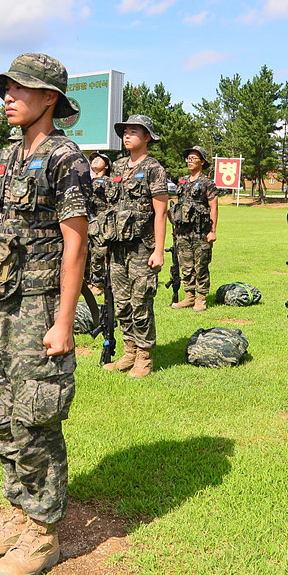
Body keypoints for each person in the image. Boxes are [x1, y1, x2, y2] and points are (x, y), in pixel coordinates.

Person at [0, 53, 90, 575]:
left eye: (19, 89)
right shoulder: (9, 156)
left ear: (49, 98)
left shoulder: (66, 157)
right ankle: (19, 514)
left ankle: (44, 533)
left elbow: (76, 244)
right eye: (5, 89)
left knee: (35, 415)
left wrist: (64, 320)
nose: (7, 97)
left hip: (37, 310)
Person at [100, 114, 168, 378]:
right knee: (122, 302)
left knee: (141, 302)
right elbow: (110, 208)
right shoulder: (117, 167)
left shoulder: (154, 168)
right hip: (118, 247)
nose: (127, 135)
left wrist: (159, 250)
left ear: (147, 137)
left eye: (134, 132)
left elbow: (160, 212)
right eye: (125, 131)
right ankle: (129, 351)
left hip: (142, 247)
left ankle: (144, 356)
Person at [170, 145, 218, 311]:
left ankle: (201, 298)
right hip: (183, 231)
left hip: (200, 231)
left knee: (201, 265)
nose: (189, 161)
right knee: (186, 265)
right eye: (188, 158)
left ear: (202, 161)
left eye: (193, 158)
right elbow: (179, 206)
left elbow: (213, 206)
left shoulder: (207, 183)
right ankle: (189, 296)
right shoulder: (182, 180)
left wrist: (213, 231)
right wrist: (176, 227)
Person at [86, 151, 111, 294]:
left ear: (106, 166)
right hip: (86, 220)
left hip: (100, 221)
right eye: (93, 158)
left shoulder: (108, 181)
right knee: (86, 252)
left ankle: (98, 283)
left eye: (99, 159)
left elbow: (111, 201)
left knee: (98, 253)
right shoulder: (86, 180)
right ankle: (88, 281)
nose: (95, 160)